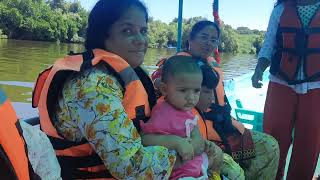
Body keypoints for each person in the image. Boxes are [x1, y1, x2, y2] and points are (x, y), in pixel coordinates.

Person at [30, 0, 203, 179]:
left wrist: (203, 147)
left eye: (143, 31)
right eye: (127, 31)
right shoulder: (91, 86)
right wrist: (193, 155)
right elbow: (131, 167)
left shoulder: (130, 73)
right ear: (102, 35)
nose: (141, 40)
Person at [153, 20, 280, 180]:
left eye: (213, 40)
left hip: (224, 126)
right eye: (204, 37)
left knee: (270, 146)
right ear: (190, 40)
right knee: (235, 173)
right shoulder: (177, 65)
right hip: (197, 134)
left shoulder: (213, 65)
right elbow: (158, 81)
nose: (208, 43)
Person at [251, 0, 320, 179]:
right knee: (273, 137)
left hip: (316, 86)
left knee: (309, 142)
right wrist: (259, 69)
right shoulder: (280, 10)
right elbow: (269, 45)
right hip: (281, 82)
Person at [141, 56, 223, 179]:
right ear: (164, 89)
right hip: (178, 174)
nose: (191, 98)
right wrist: (176, 142)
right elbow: (144, 139)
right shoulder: (163, 113)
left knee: (218, 156)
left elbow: (193, 132)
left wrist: (203, 143)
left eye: (196, 91)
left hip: (196, 167)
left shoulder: (185, 110)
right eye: (183, 90)